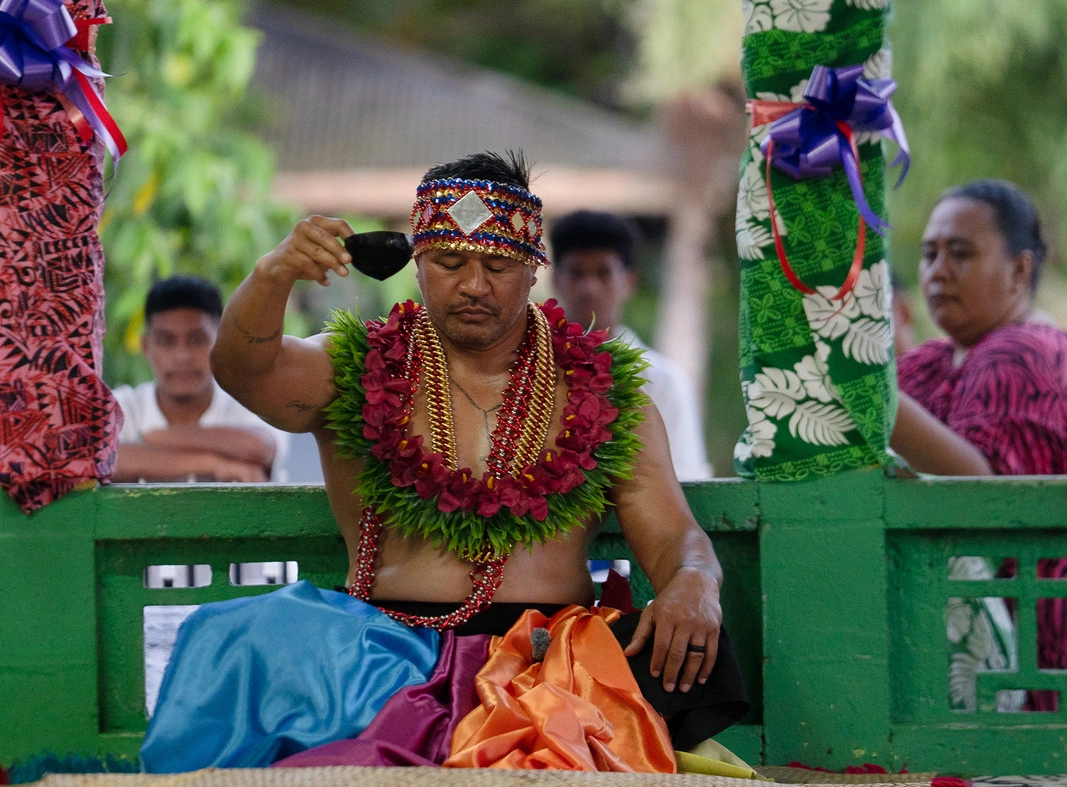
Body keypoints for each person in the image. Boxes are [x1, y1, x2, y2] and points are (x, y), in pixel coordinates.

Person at [140, 153, 748, 774]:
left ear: (535, 266)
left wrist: (696, 581)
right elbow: (244, 370)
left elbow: (674, 535)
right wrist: (274, 274)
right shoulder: (352, 367)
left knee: (691, 654)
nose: (474, 285)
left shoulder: (608, 391)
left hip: (551, 660)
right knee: (231, 639)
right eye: (451, 263)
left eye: (498, 265)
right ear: (418, 262)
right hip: (381, 650)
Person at [898, 179, 1067, 713]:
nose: (938, 271)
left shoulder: (1026, 353)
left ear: (1020, 270)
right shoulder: (940, 358)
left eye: (961, 253)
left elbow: (979, 492)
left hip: (1046, 661)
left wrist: (862, 390)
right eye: (929, 254)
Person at [548, 210, 712, 480]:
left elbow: (687, 481)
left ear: (629, 281)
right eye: (576, 273)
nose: (589, 287)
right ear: (556, 279)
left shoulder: (661, 381)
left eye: (604, 273)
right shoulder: (532, 368)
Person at [111, 275, 289, 484]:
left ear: (221, 343)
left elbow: (260, 447)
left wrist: (154, 438)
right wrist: (215, 464)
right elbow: (107, 460)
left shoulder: (247, 403)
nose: (182, 355)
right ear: (146, 347)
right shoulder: (123, 406)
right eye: (166, 341)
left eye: (197, 340)